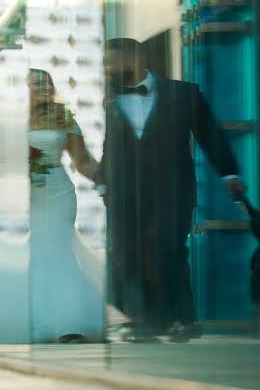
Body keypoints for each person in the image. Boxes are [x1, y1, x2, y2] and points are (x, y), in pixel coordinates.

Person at [99, 38, 245, 342]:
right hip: (126, 194)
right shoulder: (109, 97)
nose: (107, 68)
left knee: (169, 251)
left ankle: (182, 319)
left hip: (173, 190)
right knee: (129, 254)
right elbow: (110, 145)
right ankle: (139, 321)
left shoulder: (183, 93)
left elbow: (210, 135)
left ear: (134, 58)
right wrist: (104, 182)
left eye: (111, 61)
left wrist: (229, 173)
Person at [0, 69, 106, 343]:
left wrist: (111, 179)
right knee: (26, 253)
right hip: (22, 199)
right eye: (36, 84)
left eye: (47, 84)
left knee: (56, 249)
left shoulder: (62, 116)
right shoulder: (9, 120)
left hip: (58, 192)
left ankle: (67, 323)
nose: (44, 88)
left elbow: (83, 162)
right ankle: (28, 321)